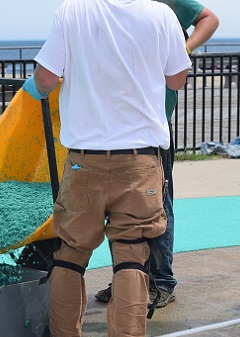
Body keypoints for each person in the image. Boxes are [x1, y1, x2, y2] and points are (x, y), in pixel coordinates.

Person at [23, 0, 190, 337]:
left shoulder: (72, 11)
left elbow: (45, 81)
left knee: (71, 250)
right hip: (139, 160)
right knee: (132, 253)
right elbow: (176, 79)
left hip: (83, 161)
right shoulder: (161, 15)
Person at [94, 0, 220, 309]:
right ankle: (129, 277)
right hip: (120, 123)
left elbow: (209, 18)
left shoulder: (168, 3)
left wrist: (183, 49)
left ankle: (161, 280)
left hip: (153, 124)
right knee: (120, 204)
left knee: (158, 202)